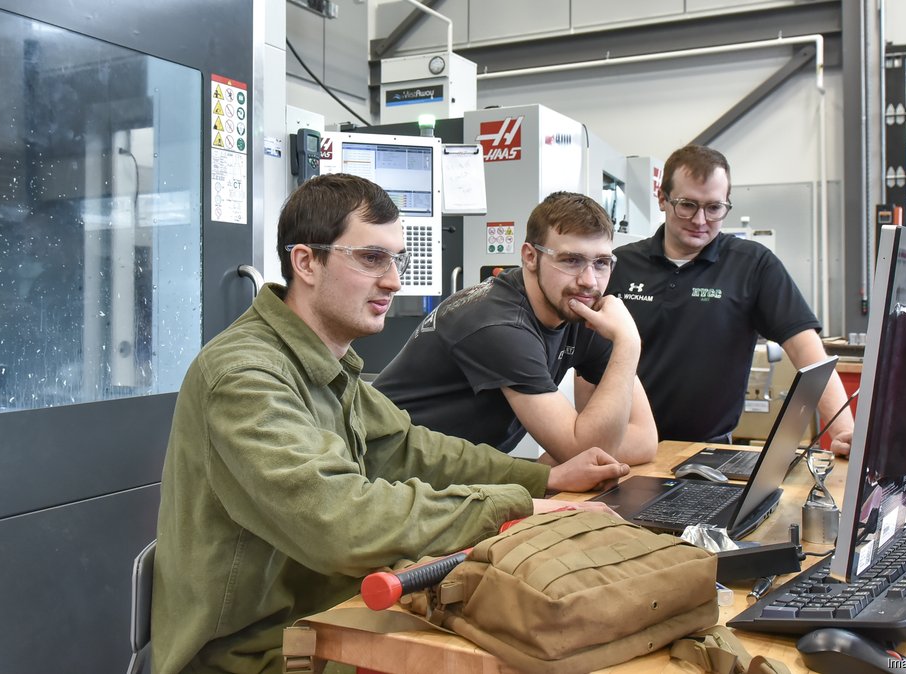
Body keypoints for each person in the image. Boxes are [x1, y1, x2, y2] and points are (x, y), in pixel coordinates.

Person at [150, 174, 628, 674]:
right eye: (371, 258)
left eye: (396, 259)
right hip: (256, 654)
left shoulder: (327, 363)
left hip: (330, 618)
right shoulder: (245, 376)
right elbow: (339, 520)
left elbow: (409, 449)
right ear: (306, 262)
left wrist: (544, 479)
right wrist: (520, 506)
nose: (395, 281)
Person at [374, 192, 657, 466]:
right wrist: (628, 343)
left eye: (602, 263)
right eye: (571, 260)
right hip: (389, 473)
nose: (589, 281)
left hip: (457, 473)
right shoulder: (500, 323)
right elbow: (582, 450)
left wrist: (556, 464)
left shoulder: (577, 309)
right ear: (530, 257)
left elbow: (644, 440)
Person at [606, 145, 854, 455]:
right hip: (621, 449)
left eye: (714, 208)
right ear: (662, 197)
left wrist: (844, 430)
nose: (700, 220)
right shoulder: (618, 265)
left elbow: (809, 352)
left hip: (706, 455)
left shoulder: (753, 265)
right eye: (687, 205)